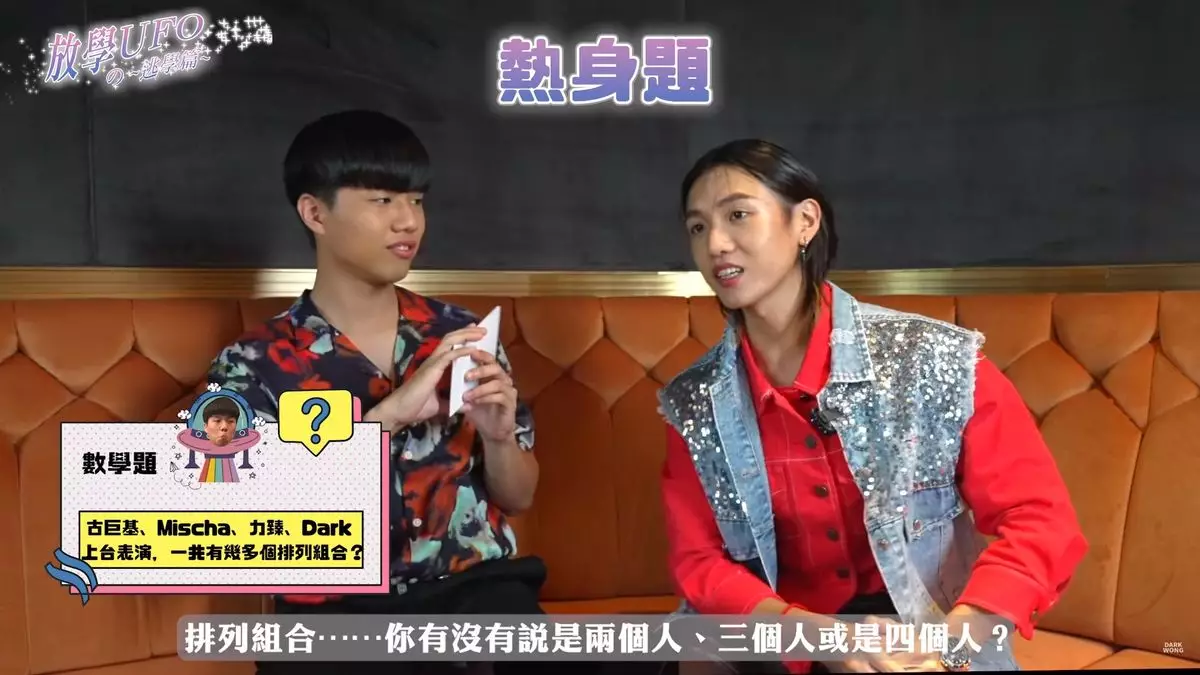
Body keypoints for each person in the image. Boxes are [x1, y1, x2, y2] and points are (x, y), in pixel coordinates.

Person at [658, 139, 1089, 674]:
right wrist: (822, 639)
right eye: (697, 227)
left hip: (927, 635)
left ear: (805, 222)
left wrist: (953, 640)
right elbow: (699, 561)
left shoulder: (934, 359)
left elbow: (1039, 520)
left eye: (738, 215)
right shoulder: (695, 400)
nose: (716, 243)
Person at [207, 110, 572, 675]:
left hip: (476, 596)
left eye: (416, 200)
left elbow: (519, 496)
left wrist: (500, 438)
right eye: (382, 200)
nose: (409, 221)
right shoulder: (254, 363)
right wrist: (388, 418)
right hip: (333, 620)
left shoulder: (462, 335)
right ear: (315, 213)